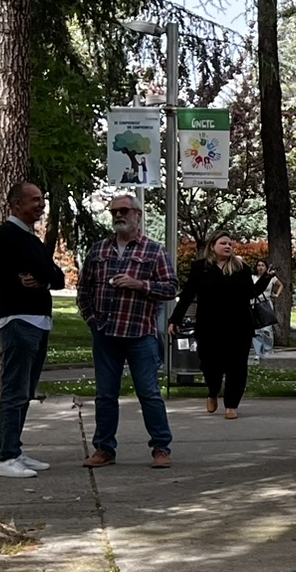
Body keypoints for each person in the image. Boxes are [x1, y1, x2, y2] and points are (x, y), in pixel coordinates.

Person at [77, 194, 178, 468]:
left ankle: (161, 448)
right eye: (114, 212)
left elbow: (171, 287)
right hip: (106, 334)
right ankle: (104, 449)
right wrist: (92, 320)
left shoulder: (154, 251)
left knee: (149, 393)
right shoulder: (99, 250)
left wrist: (140, 285)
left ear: (138, 215)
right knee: (105, 395)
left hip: (140, 334)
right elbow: (84, 289)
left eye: (124, 210)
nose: (118, 216)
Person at [0, 180, 65, 479]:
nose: (41, 204)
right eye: (34, 199)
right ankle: (6, 457)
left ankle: (15, 450)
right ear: (16, 204)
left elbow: (57, 278)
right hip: (18, 321)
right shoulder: (8, 236)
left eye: (42, 199)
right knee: (15, 391)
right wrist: (46, 275)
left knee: (25, 392)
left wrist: (44, 278)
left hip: (36, 321)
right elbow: (48, 271)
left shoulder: (30, 237)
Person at [168, 233, 273, 420]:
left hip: (239, 326)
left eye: (230, 244)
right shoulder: (200, 268)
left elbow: (251, 293)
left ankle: (231, 405)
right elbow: (187, 295)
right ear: (212, 246)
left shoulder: (241, 267)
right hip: (209, 326)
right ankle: (213, 391)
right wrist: (175, 319)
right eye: (223, 243)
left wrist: (265, 278)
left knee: (237, 367)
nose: (228, 246)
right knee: (210, 365)